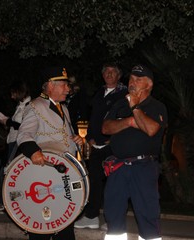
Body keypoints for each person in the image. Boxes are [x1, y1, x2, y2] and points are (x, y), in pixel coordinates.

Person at [101, 64, 168, 240]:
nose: (132, 82)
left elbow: (151, 129)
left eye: (138, 80)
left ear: (149, 84)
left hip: (144, 167)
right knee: (113, 212)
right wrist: (130, 122)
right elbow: (106, 127)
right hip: (118, 167)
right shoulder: (119, 104)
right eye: (131, 78)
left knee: (147, 214)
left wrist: (135, 107)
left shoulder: (157, 107)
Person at [17, 67, 83, 240]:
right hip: (43, 173)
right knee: (42, 223)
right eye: (64, 85)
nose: (68, 89)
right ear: (50, 86)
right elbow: (24, 135)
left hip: (63, 174)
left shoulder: (64, 109)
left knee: (65, 220)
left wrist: (76, 140)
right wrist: (33, 152)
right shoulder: (35, 106)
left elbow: (62, 137)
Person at [74, 63, 128, 229]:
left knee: (115, 185)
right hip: (96, 146)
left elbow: (126, 120)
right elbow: (94, 117)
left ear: (119, 75)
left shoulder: (125, 94)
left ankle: (113, 221)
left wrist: (113, 140)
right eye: (106, 72)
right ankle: (91, 217)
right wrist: (89, 137)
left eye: (113, 72)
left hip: (113, 146)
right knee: (94, 182)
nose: (109, 74)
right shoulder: (99, 93)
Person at [0, 80, 31, 211]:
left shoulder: (29, 105)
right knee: (10, 172)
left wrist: (8, 121)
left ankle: (7, 201)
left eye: (13, 94)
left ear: (19, 92)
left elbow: (23, 126)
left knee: (11, 172)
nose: (11, 97)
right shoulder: (21, 105)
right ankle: (8, 200)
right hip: (12, 141)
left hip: (19, 142)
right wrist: (7, 123)